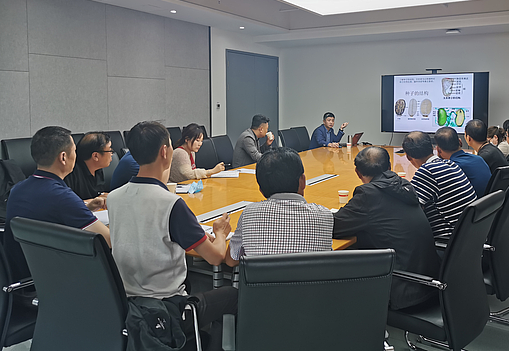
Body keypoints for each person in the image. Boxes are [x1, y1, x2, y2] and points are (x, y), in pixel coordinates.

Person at [106, 121, 237, 351]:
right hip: (169, 306)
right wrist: (219, 232)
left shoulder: (113, 198)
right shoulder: (171, 204)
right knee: (233, 295)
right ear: (164, 152)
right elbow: (216, 257)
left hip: (125, 304)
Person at [333, 147, 440, 310]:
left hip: (404, 293)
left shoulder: (368, 194)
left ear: (357, 172)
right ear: (389, 167)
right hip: (430, 283)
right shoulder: (405, 185)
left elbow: (335, 227)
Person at [4, 126, 111, 281]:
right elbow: (107, 240)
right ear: (63, 157)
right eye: (74, 151)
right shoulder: (62, 196)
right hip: (59, 278)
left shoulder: (17, 190)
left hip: (26, 275)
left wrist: (85, 207)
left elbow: (46, 213)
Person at [225, 147, 333, 266]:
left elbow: (231, 260)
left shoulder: (249, 214)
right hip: (310, 279)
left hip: (264, 278)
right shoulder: (324, 215)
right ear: (303, 181)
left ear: (261, 190)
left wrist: (220, 235)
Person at [402, 131, 477, 239]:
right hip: (468, 237)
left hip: (448, 241)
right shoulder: (450, 164)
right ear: (433, 148)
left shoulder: (427, 171)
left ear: (408, 157)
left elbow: (407, 209)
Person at [435, 127, 491, 198]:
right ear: (460, 142)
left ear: (438, 150)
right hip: (488, 202)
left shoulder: (452, 168)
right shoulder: (479, 158)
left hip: (473, 203)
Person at [64, 132, 112, 204]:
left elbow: (98, 194)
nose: (111, 154)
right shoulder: (71, 173)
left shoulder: (98, 170)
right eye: (110, 150)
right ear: (95, 156)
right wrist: (94, 201)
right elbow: (68, 204)